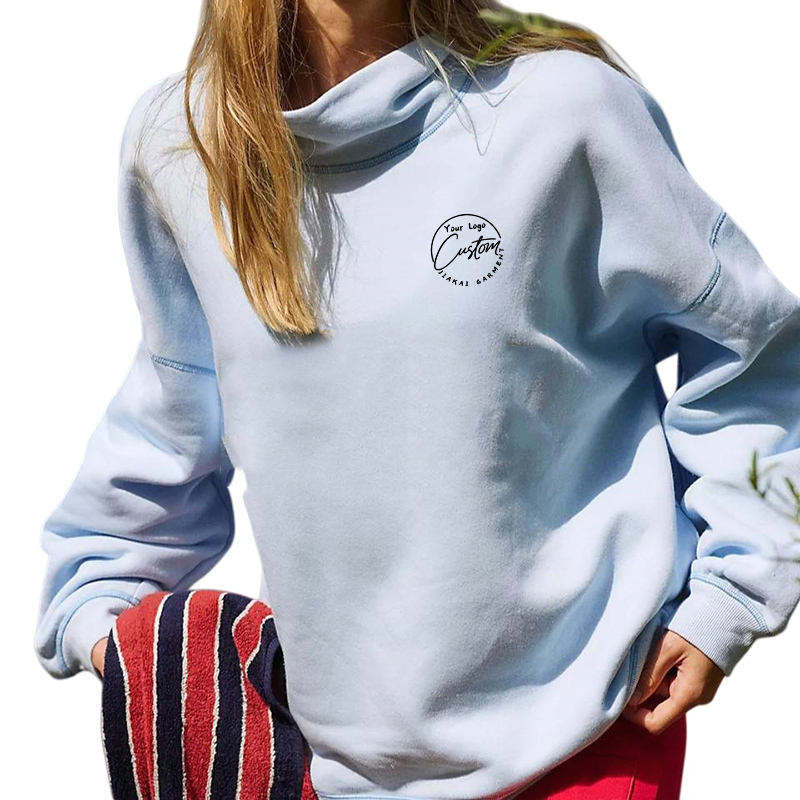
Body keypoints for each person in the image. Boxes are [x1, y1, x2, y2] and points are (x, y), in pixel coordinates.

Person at [35, 1, 800, 799]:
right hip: (332, 756)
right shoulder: (184, 143)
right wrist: (103, 594)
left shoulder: (566, 108)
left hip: (589, 722)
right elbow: (178, 396)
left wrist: (731, 593)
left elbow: (757, 352)